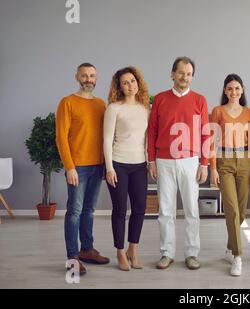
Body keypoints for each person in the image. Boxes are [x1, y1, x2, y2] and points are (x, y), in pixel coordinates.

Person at [148, 57, 210, 270]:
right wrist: (151, 160)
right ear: (172, 74)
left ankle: (192, 254)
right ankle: (167, 253)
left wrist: (205, 164)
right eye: (181, 72)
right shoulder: (160, 99)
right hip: (163, 160)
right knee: (165, 210)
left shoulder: (200, 100)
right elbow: (152, 131)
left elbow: (205, 133)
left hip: (191, 161)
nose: (185, 77)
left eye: (189, 73)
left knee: (192, 209)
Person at [56, 63, 110, 276]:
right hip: (77, 167)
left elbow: (104, 138)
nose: (89, 79)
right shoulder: (67, 102)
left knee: (89, 210)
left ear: (96, 78)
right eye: (85, 75)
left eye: (92, 75)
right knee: (75, 212)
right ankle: (72, 258)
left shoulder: (101, 104)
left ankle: (86, 249)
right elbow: (61, 138)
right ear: (77, 77)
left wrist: (105, 165)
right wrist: (69, 167)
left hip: (97, 165)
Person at [210, 74, 250, 277]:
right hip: (224, 162)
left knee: (241, 211)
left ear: (242, 89)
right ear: (224, 90)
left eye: (237, 88)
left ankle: (230, 247)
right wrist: (212, 168)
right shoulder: (218, 111)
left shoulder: (249, 113)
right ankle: (238, 256)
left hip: (246, 161)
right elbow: (211, 142)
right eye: (229, 88)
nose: (233, 92)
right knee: (231, 210)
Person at [104, 66, 150, 271]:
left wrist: (150, 161)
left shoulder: (145, 108)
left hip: (140, 165)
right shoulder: (114, 108)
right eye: (125, 82)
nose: (130, 85)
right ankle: (120, 252)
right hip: (119, 165)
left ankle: (133, 248)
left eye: (133, 81)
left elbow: (148, 138)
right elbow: (106, 139)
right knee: (120, 210)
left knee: (140, 209)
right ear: (119, 87)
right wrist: (109, 168)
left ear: (138, 82)